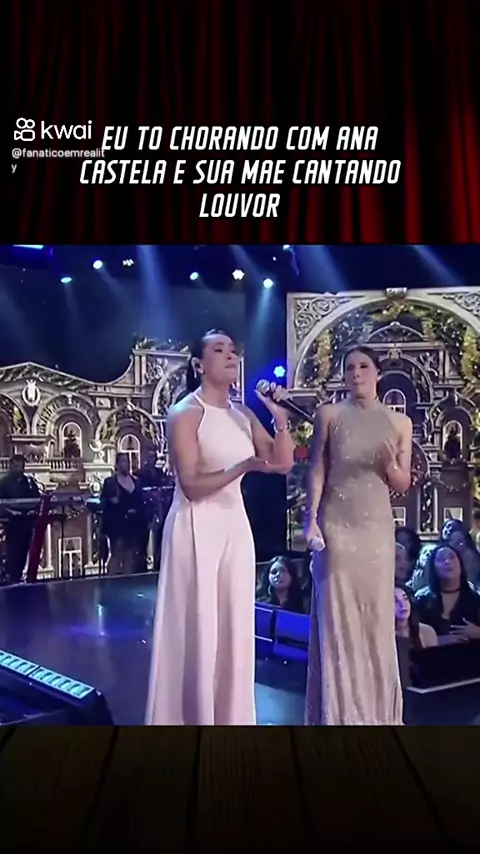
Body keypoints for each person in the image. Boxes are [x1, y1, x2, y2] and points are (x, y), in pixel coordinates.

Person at [145, 330, 294, 725]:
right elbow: (192, 486)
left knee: (231, 625)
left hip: (234, 528)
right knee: (199, 626)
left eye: (233, 350)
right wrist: (241, 467)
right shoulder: (185, 412)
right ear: (199, 365)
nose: (230, 355)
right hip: (196, 526)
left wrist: (278, 418)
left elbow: (282, 463)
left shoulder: (243, 414)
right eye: (219, 349)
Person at [304, 345, 413, 725]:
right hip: (336, 525)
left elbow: (402, 483)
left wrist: (389, 465)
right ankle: (340, 715)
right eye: (349, 367)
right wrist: (310, 520)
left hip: (376, 530)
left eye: (363, 366)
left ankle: (377, 715)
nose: (356, 373)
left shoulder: (399, 423)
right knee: (338, 618)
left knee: (375, 618)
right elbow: (317, 469)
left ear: (378, 373)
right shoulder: (330, 415)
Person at [100, 452, 147, 575]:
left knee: (130, 555)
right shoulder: (111, 482)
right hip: (117, 525)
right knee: (117, 553)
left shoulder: (136, 481)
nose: (127, 464)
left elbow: (140, 501)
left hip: (133, 524)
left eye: (128, 461)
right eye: (124, 461)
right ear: (117, 464)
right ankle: (110, 580)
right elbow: (105, 501)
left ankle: (126, 579)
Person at [0, 454, 40, 585]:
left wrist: (33, 510)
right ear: (11, 466)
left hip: (26, 523)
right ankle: (12, 578)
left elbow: (37, 500)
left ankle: (21, 576)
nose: (19, 469)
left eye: (22, 466)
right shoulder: (4, 484)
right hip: (11, 524)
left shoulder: (29, 483)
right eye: (16, 466)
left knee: (24, 551)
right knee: (13, 553)